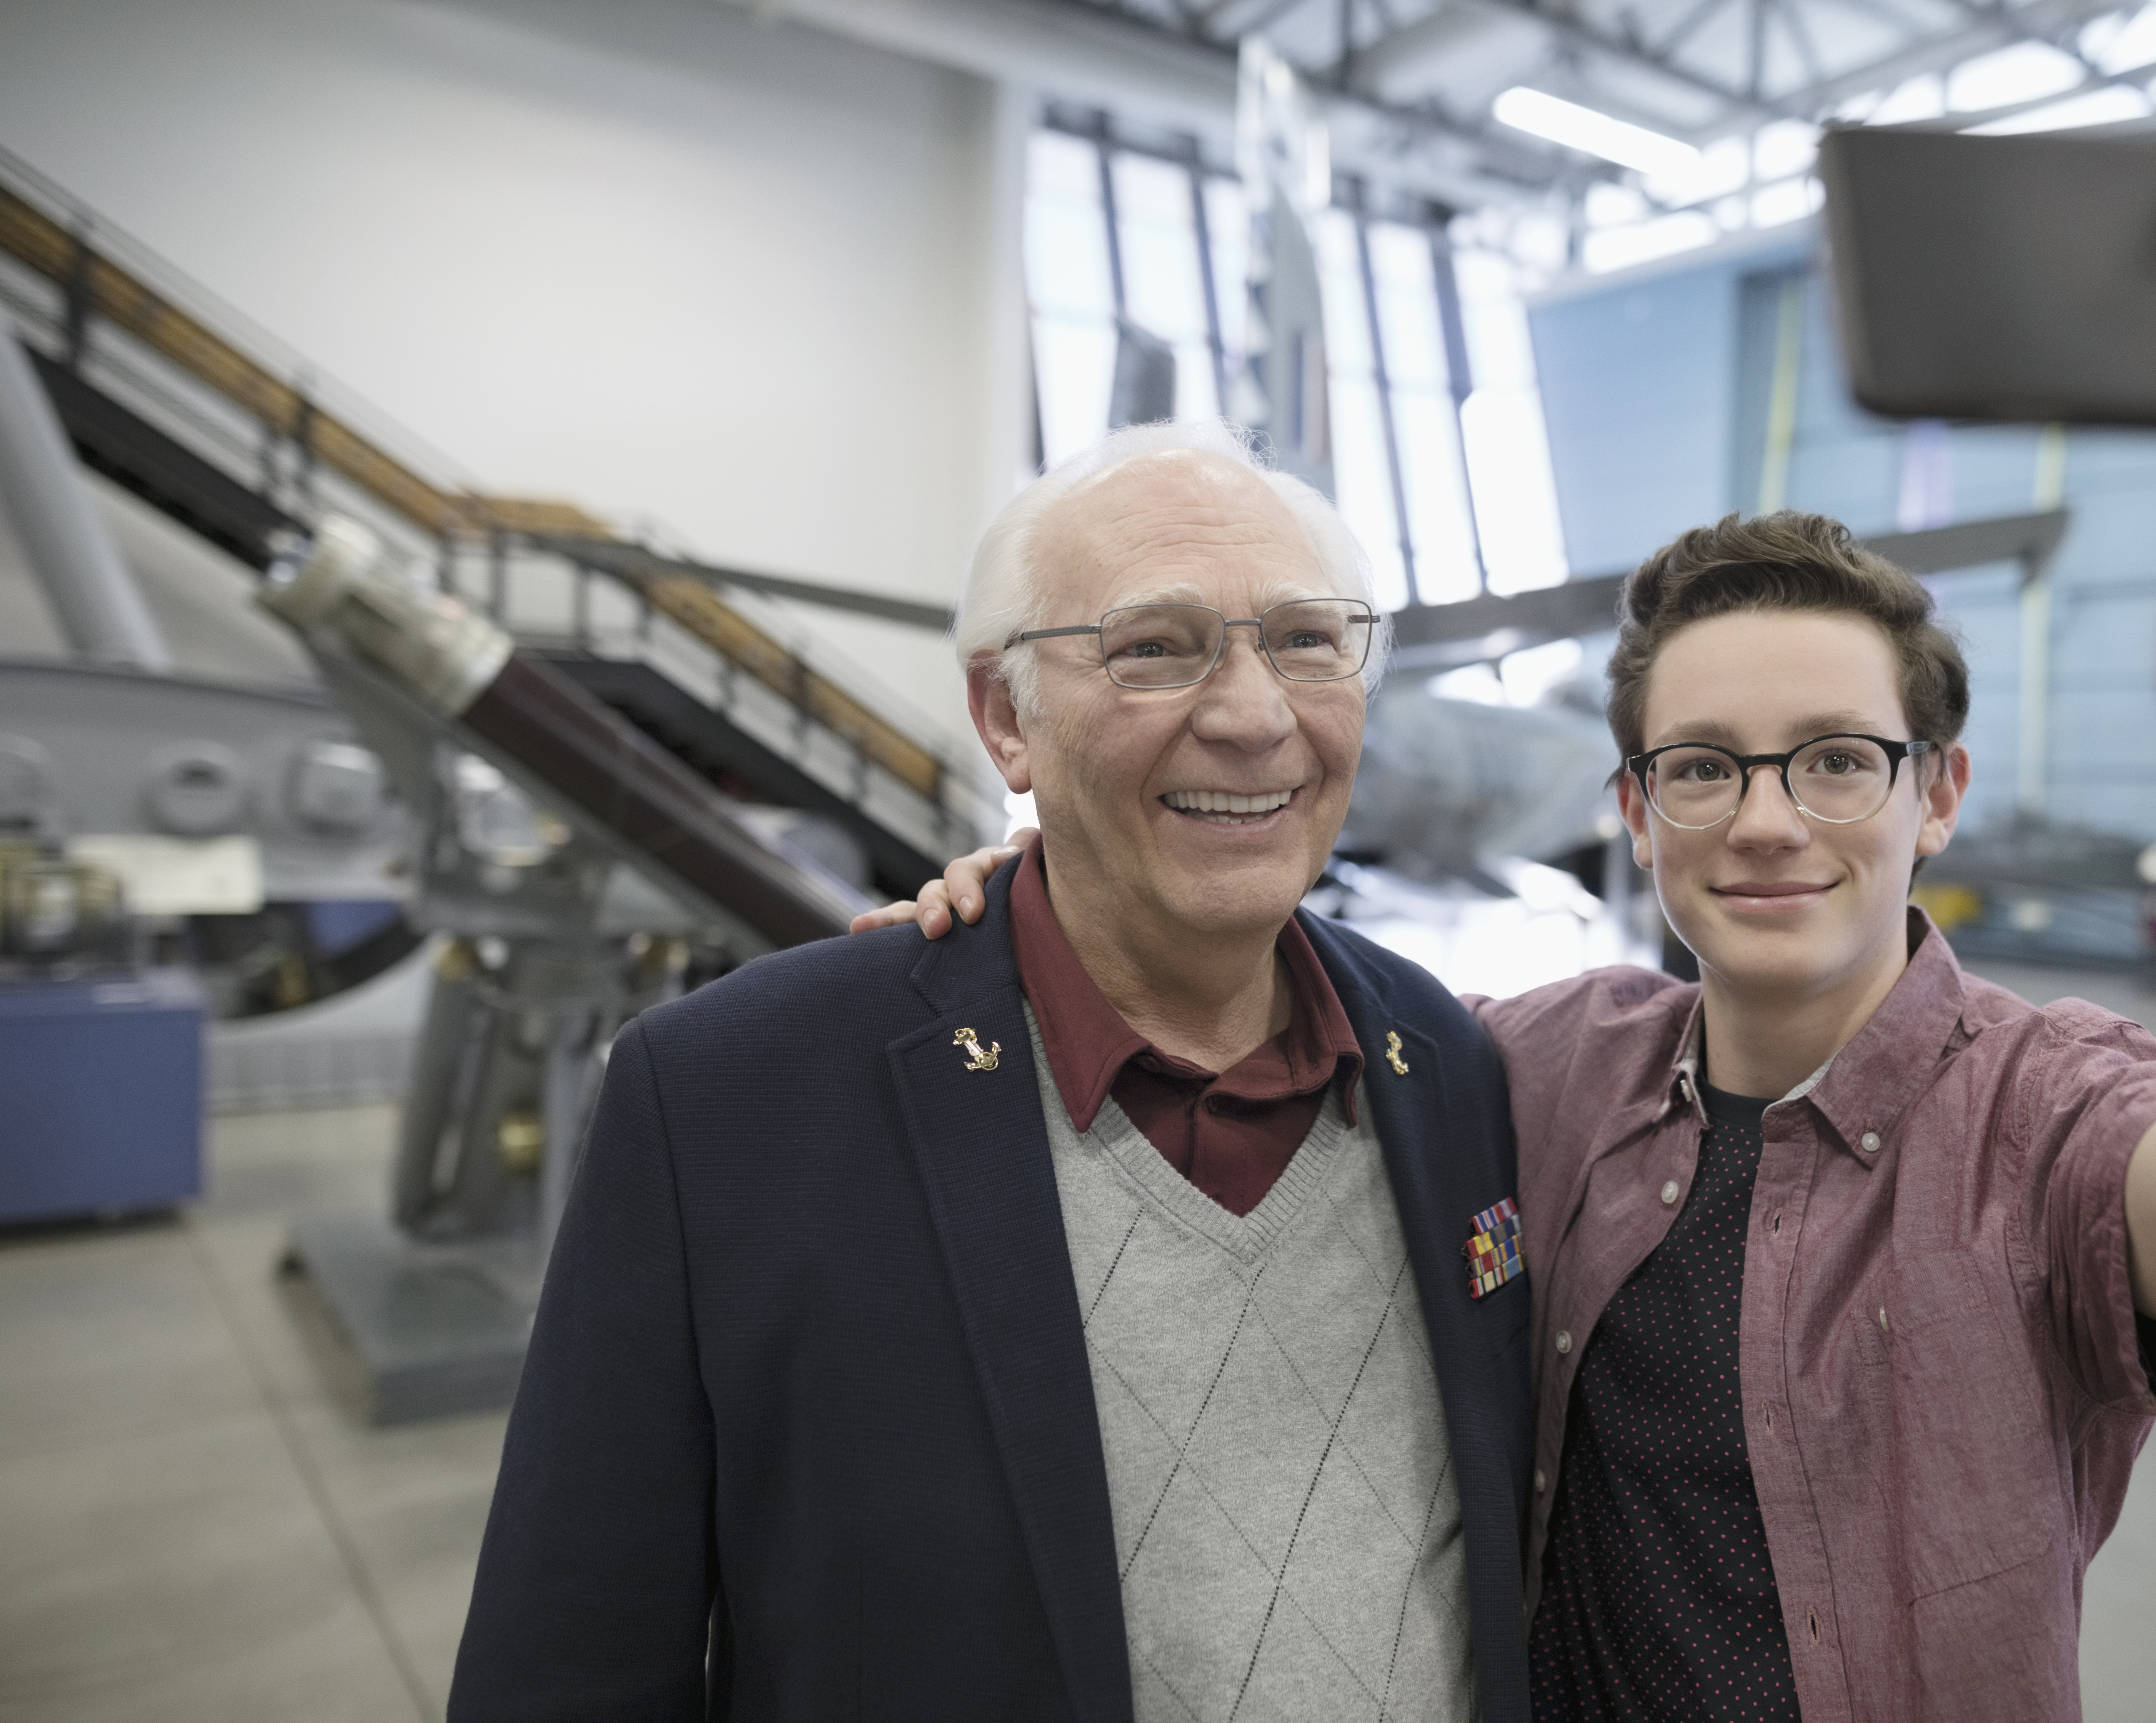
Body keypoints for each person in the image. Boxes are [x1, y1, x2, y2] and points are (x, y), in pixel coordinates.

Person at [857, 61, 2156, 1720]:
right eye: (1707, 766)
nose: (1770, 821)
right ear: (1639, 807)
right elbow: (1247, 1016)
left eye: (1838, 758)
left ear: (1937, 797)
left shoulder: (2045, 1121)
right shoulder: (1539, 1070)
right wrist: (1047, 892)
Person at [449, 422, 1535, 1721]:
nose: (1254, 716)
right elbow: (569, 1666)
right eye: (1153, 647)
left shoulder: (1451, 1066)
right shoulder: (729, 1105)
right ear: (1003, 718)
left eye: (1307, 640)